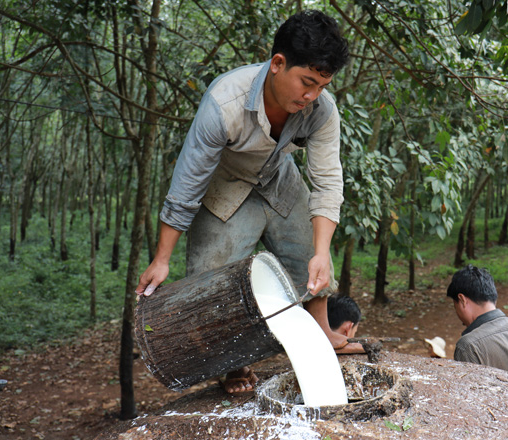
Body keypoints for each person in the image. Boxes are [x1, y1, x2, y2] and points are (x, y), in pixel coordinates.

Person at [134, 10, 362, 393]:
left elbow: (327, 183)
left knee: (308, 250)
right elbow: (187, 183)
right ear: (278, 63)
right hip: (225, 185)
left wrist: (322, 251)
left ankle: (323, 331)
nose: (312, 96)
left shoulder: (322, 111)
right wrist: (161, 258)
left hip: (279, 180)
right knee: (212, 279)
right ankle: (234, 364)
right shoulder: (224, 102)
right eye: (307, 83)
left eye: (322, 86)